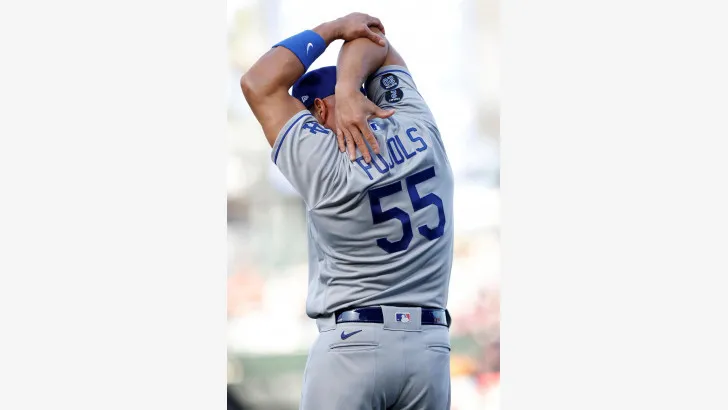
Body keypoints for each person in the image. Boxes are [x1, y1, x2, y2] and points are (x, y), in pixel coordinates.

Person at [240, 12, 455, 410]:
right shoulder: (419, 126)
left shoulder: (323, 163)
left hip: (354, 347)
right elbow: (378, 43)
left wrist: (332, 30)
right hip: (431, 349)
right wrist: (349, 84)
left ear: (319, 111)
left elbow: (258, 83)